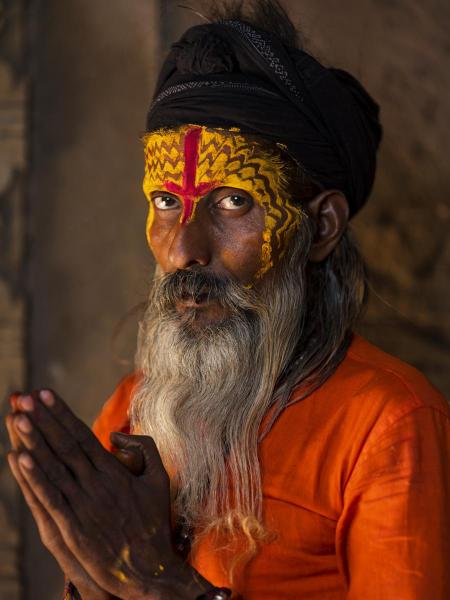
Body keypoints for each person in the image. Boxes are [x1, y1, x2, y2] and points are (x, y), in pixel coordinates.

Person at [6, 1, 450, 599]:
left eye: (233, 201)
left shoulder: (389, 425)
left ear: (319, 228)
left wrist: (156, 578)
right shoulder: (134, 410)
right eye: (166, 202)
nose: (185, 249)